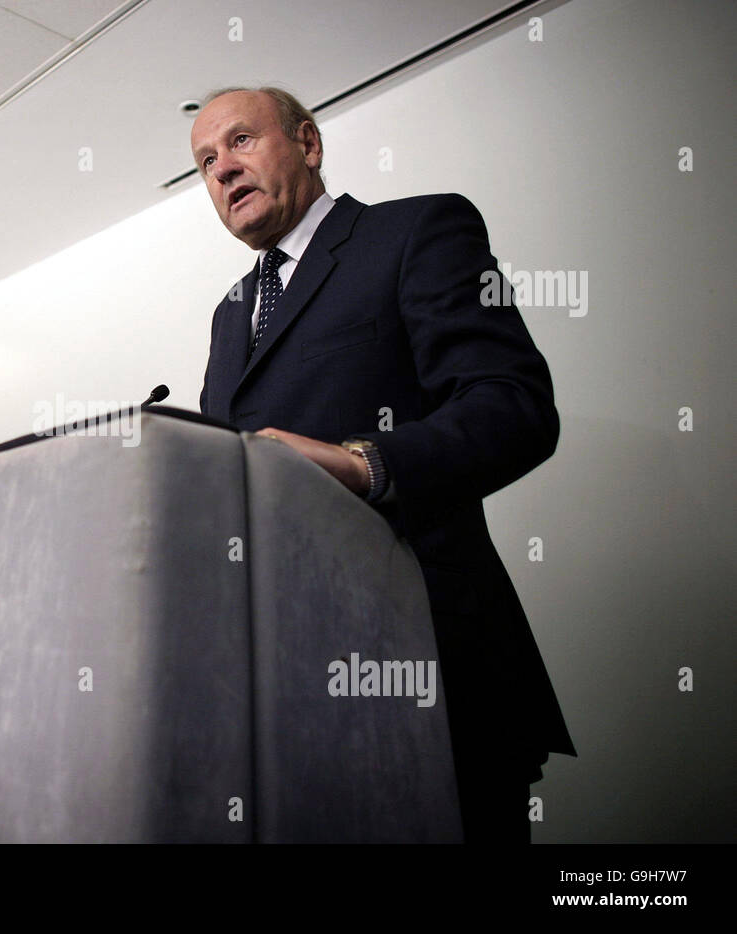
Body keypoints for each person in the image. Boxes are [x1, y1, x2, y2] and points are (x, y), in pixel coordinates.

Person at [191, 86, 575, 842]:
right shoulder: (231, 312)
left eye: (240, 142)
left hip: (432, 671)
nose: (222, 171)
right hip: (290, 703)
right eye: (206, 162)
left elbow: (512, 405)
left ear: (308, 143)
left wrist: (361, 463)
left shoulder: (417, 231)